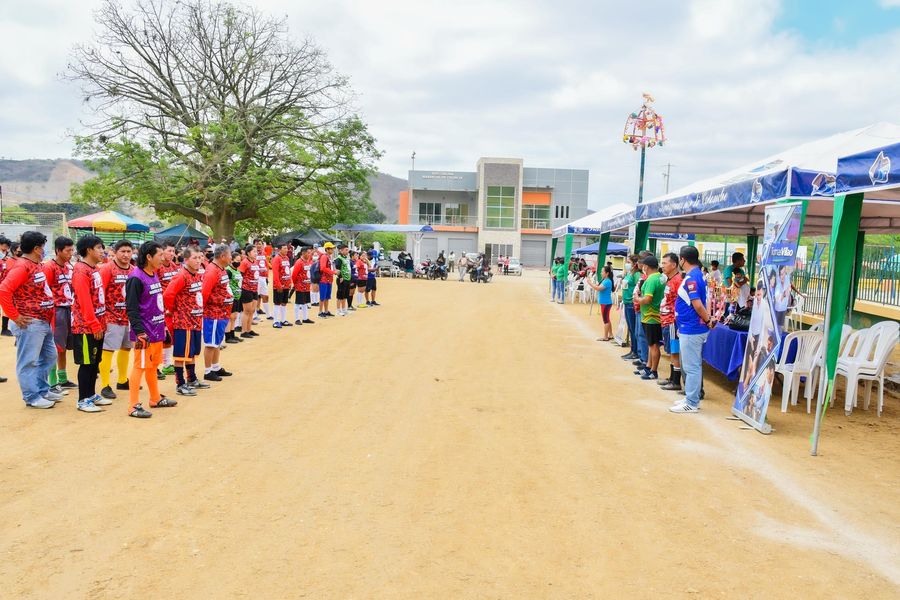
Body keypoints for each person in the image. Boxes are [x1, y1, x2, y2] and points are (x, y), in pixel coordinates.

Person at [0, 231, 60, 408]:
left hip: (43, 320)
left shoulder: (36, 264)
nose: (44, 250)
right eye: (43, 247)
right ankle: (31, 396)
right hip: (30, 321)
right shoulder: (22, 267)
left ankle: (42, 389)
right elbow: (4, 290)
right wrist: (14, 315)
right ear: (36, 248)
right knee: (29, 361)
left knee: (49, 356)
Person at [125, 241, 176, 418]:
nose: (164, 258)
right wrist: (139, 332)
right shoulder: (135, 278)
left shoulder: (153, 274)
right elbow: (131, 308)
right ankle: (133, 406)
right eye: (160, 255)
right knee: (139, 366)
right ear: (148, 257)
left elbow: (156, 304)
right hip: (144, 333)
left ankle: (155, 398)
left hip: (157, 330)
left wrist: (163, 327)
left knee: (153, 366)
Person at [671, 245, 714, 414]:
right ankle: (691, 397)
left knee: (692, 366)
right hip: (689, 326)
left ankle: (692, 402)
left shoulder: (692, 278)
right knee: (690, 365)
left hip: (692, 328)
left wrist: (707, 320)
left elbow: (697, 304)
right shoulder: (697, 275)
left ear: (682, 260)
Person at [70, 235, 108, 413]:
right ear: (88, 250)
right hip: (85, 326)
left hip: (98, 323)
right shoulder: (80, 271)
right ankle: (83, 399)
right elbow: (84, 301)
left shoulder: (94, 269)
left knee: (94, 362)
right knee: (86, 363)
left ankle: (91, 394)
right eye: (99, 248)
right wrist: (94, 324)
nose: (102, 251)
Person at [164, 246, 208, 396]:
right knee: (181, 354)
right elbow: (168, 295)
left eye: (200, 257)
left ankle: (192, 378)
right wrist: (174, 310)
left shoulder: (197, 274)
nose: (198, 260)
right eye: (195, 258)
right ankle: (180, 383)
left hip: (195, 320)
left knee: (192, 352)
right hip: (183, 322)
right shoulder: (181, 275)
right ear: (186, 259)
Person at [98, 240, 136, 401]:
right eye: (123, 251)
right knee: (108, 349)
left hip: (129, 317)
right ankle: (105, 385)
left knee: (126, 348)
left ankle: (122, 380)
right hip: (111, 316)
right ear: (115, 252)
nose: (126, 255)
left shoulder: (134, 270)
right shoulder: (107, 269)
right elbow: (99, 292)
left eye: (129, 251)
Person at [44, 236, 77, 393]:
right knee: (55, 346)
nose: (71, 253)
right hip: (56, 310)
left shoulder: (69, 266)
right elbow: (44, 289)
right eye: (67, 250)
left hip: (70, 308)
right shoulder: (49, 267)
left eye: (72, 250)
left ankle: (62, 379)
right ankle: (52, 382)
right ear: (58, 251)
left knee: (63, 346)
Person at [201, 243, 234, 381]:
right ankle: (208, 371)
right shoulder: (212, 271)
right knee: (211, 343)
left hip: (222, 312)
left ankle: (215, 367)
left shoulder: (221, 269)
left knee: (217, 342)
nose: (231, 258)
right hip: (213, 313)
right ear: (222, 256)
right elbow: (204, 293)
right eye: (230, 255)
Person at [637, 255, 664, 380]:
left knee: (653, 345)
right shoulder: (660, 277)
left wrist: (637, 299)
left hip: (651, 316)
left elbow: (648, 299)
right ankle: (649, 367)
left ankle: (653, 370)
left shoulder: (652, 279)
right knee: (651, 344)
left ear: (646, 267)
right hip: (654, 315)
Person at [659, 252, 683, 392]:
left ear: (674, 265)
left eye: (665, 263)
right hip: (666, 320)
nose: (662, 266)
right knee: (670, 351)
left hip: (672, 321)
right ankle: (671, 377)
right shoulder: (670, 279)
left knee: (674, 351)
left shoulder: (678, 280)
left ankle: (676, 381)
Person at [156, 242, 180, 378]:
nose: (172, 254)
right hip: (159, 306)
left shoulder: (174, 267)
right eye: (169, 251)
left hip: (172, 306)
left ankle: (167, 364)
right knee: (159, 336)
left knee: (169, 335)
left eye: (173, 251)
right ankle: (155, 366)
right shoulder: (157, 267)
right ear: (162, 252)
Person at [620, 255, 641, 361]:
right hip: (627, 302)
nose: (627, 264)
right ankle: (633, 350)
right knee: (631, 328)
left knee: (633, 328)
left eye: (629, 262)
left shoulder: (636, 274)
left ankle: (635, 351)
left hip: (631, 303)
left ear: (634, 263)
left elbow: (639, 287)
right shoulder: (629, 273)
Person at [586, 265, 615, 341]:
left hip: (606, 303)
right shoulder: (604, 280)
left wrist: (589, 283)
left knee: (606, 320)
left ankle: (605, 337)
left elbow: (598, 288)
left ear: (607, 273)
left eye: (602, 272)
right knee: (607, 318)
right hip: (605, 302)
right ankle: (610, 334)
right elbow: (597, 286)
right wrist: (591, 282)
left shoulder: (607, 281)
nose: (601, 273)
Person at [238, 244, 260, 338]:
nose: (256, 253)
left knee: (252, 310)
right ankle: (243, 331)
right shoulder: (244, 262)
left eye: (256, 251)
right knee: (246, 311)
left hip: (254, 289)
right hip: (246, 289)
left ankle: (249, 329)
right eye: (254, 251)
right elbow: (240, 275)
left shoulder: (256, 262)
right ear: (248, 253)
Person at [270, 243, 293, 328]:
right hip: (279, 285)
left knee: (284, 302)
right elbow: (275, 273)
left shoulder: (286, 258)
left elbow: (288, 271)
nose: (286, 250)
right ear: (279, 249)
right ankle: (276, 321)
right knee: (277, 303)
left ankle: (283, 320)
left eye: (287, 248)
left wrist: (289, 281)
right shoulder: (277, 259)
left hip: (286, 284)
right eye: (284, 248)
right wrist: (278, 284)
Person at [291, 246, 315, 324]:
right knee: (298, 302)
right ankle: (297, 319)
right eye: (308, 253)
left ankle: (305, 318)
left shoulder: (307, 262)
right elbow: (294, 275)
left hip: (306, 285)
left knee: (305, 302)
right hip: (300, 286)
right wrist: (296, 284)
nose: (310, 254)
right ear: (303, 253)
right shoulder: (299, 262)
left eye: (310, 253)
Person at [225, 249, 244, 343]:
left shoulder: (237, 270)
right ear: (231, 260)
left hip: (237, 296)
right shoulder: (228, 270)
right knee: (230, 317)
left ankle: (233, 334)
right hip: (231, 297)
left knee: (234, 316)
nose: (238, 262)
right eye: (237, 260)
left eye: (240, 260)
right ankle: (228, 336)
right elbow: (226, 284)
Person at [254, 239, 273, 320]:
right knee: (255, 297)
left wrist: (266, 275)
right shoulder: (253, 254)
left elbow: (266, 264)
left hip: (263, 277)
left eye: (260, 244)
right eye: (257, 244)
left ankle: (268, 315)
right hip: (256, 277)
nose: (258, 245)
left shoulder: (264, 253)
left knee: (265, 296)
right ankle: (254, 315)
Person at [0, 235, 14, 338]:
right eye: (3, 247)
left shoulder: (7, 260)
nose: (5, 250)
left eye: (6, 248)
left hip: (5, 287)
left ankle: (4, 329)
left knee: (5, 308)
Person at [318, 241, 337, 317]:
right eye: (331, 248)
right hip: (323, 279)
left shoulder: (329, 257)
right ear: (327, 249)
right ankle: (320, 312)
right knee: (322, 296)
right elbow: (322, 268)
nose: (333, 250)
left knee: (327, 296)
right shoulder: (324, 257)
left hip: (329, 279)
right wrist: (333, 272)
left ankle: (326, 311)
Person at [334, 244, 352, 317]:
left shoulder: (346, 258)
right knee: (340, 295)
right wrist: (340, 277)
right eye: (346, 250)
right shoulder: (339, 259)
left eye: (347, 250)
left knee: (345, 295)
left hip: (347, 278)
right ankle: (338, 310)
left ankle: (344, 309)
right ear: (341, 250)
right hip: (342, 279)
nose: (347, 251)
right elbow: (337, 269)